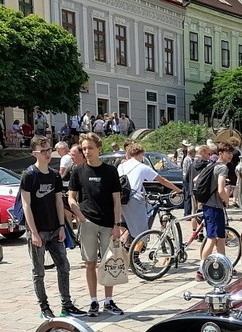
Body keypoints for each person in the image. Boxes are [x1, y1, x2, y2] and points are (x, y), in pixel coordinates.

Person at [17, 137, 83, 319]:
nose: (47, 154)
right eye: (43, 151)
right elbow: (26, 205)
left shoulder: (54, 175)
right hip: (37, 230)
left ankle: (66, 305)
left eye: (49, 150)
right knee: (39, 271)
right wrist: (33, 232)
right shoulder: (29, 175)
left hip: (54, 228)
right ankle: (44, 307)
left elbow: (58, 202)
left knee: (64, 266)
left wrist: (62, 226)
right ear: (34, 154)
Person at [67, 133, 125, 317]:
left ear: (99, 149)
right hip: (88, 223)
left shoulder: (110, 171)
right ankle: (93, 301)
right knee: (90, 263)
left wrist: (117, 224)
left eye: (90, 148)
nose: (87, 152)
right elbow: (71, 197)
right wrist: (80, 216)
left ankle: (108, 301)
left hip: (108, 223)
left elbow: (116, 200)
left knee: (109, 263)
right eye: (84, 149)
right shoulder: (78, 171)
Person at [118, 141, 181, 235]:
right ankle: (139, 244)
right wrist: (177, 190)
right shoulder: (142, 167)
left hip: (121, 198)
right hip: (134, 198)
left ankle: (125, 243)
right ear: (140, 154)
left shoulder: (121, 166)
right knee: (142, 230)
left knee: (126, 226)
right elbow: (162, 180)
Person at [196, 143, 235, 281]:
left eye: (231, 153)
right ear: (220, 153)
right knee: (212, 238)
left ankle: (224, 266)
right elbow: (220, 189)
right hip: (214, 207)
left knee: (221, 238)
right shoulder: (222, 168)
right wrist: (227, 201)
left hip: (209, 206)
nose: (230, 155)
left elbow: (196, 180)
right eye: (227, 152)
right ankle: (201, 270)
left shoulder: (211, 165)